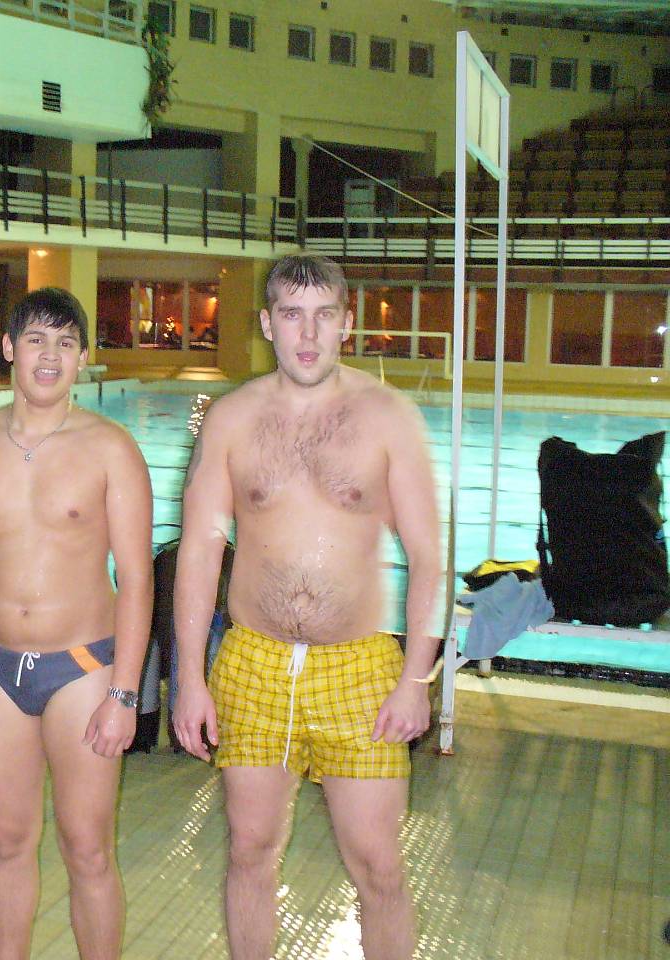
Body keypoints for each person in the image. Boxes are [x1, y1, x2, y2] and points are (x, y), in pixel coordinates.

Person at [172, 255, 441, 960]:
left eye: (324, 315)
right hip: (252, 664)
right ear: (268, 324)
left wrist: (416, 678)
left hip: (359, 669)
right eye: (292, 314)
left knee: (379, 868)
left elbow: (429, 556)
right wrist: (190, 678)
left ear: (347, 323)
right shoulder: (232, 419)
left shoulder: (388, 418)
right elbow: (199, 550)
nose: (308, 333)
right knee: (249, 853)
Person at [0, 287, 153, 960]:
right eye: (37, 340)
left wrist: (124, 694)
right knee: (6, 844)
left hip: (84, 668)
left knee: (88, 850)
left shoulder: (110, 448)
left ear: (82, 358)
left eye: (66, 343)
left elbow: (137, 579)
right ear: (9, 349)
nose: (51, 356)